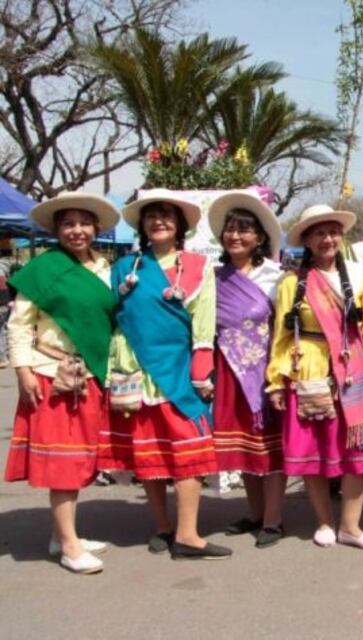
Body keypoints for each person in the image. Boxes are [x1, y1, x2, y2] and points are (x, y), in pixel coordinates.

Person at [98, 189, 231, 560]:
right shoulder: (127, 267)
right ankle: (161, 526)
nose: (159, 221)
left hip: (177, 371)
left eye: (167, 216)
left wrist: (201, 371)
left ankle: (188, 533)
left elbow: (204, 323)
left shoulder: (196, 267)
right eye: (151, 215)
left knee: (189, 450)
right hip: (135, 369)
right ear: (142, 225)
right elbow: (114, 318)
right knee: (149, 452)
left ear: (179, 226)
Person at [4, 192, 119, 574]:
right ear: (56, 230)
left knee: (82, 457)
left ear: (96, 228)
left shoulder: (105, 268)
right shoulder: (43, 269)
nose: (77, 230)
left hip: (91, 376)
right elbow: (19, 324)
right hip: (50, 376)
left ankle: (61, 535)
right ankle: (70, 546)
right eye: (68, 224)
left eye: (84, 223)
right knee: (64, 463)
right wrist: (22, 371)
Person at [266, 204, 363, 550]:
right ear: (306, 240)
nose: (327, 238)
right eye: (318, 233)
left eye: (332, 231)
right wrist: (276, 378)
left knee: (360, 449)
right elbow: (282, 335)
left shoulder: (361, 275)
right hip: (311, 371)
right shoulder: (291, 283)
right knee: (314, 449)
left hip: (353, 367)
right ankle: (323, 521)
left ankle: (351, 525)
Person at [207, 192, 287, 548]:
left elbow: (285, 328)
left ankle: (273, 519)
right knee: (242, 447)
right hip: (227, 370)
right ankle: (254, 513)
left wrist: (281, 376)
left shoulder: (276, 277)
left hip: (266, 372)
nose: (235, 236)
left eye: (244, 230)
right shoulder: (213, 277)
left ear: (259, 238)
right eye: (230, 230)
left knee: (270, 448)